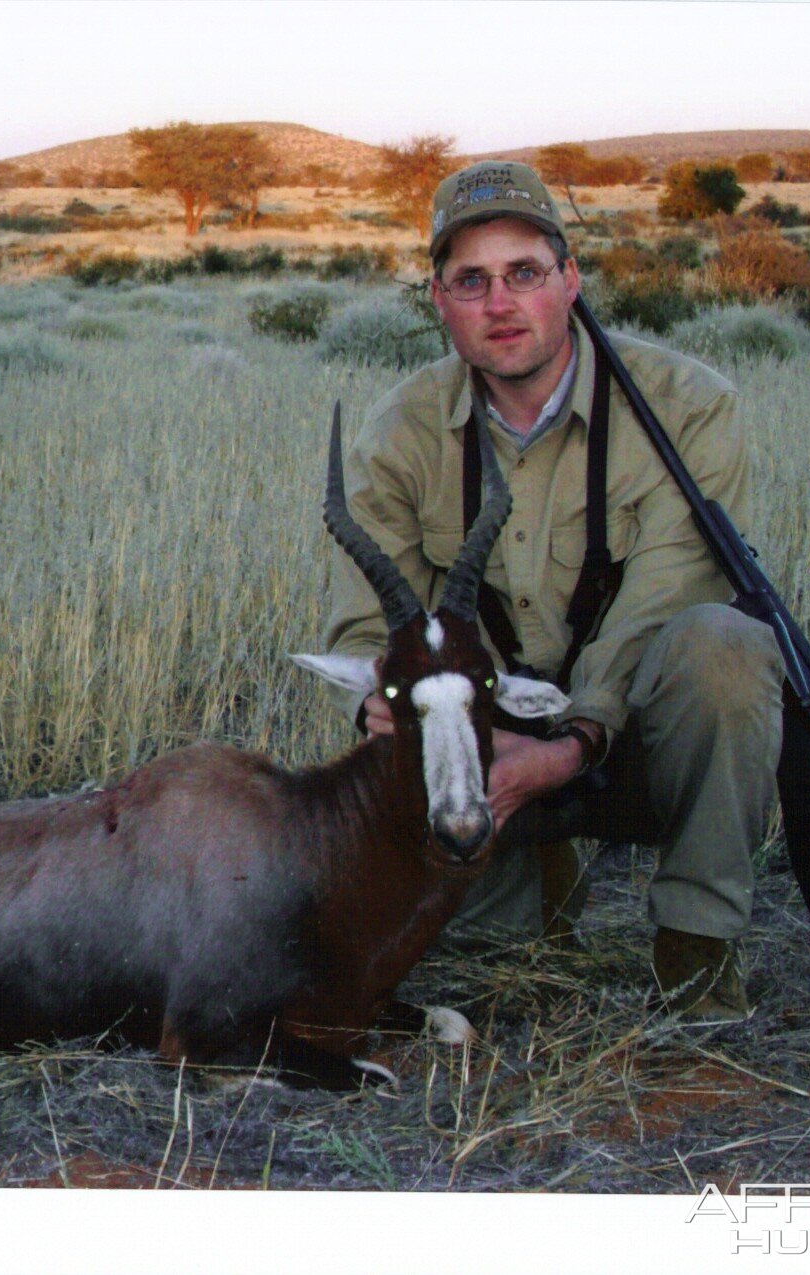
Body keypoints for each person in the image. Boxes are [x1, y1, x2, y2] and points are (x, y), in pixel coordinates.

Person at [322, 160, 784, 1020]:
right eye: (471, 281)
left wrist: (572, 743)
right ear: (437, 299)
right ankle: (534, 879)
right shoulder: (397, 433)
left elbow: (669, 591)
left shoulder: (688, 409)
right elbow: (367, 623)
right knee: (493, 969)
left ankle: (695, 944)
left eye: (524, 273)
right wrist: (384, 705)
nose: (499, 304)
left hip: (636, 739)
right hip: (486, 761)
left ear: (569, 281)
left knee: (728, 646)